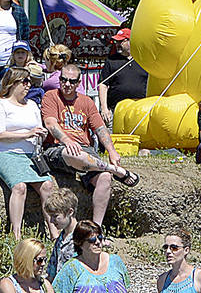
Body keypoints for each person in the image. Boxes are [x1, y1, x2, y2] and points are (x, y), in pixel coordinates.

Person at [44, 63, 139, 228]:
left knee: (104, 178)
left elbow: (100, 128)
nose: (67, 84)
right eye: (63, 80)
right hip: (59, 148)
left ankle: (96, 228)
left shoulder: (86, 101)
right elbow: (50, 123)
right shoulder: (51, 96)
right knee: (73, 153)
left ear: (78, 83)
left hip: (86, 150)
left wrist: (112, 151)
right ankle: (114, 170)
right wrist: (67, 140)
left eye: (72, 81)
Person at [0, 67, 57, 238]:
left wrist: (41, 134)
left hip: (29, 154)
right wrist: (27, 133)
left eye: (30, 82)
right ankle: (16, 234)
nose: (28, 85)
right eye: (25, 81)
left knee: (47, 185)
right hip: (5, 153)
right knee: (19, 187)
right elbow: (1, 135)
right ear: (13, 83)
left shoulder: (32, 105)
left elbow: (37, 128)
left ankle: (54, 233)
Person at [97, 28, 150, 119]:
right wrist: (104, 108)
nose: (117, 44)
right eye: (116, 42)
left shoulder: (143, 60)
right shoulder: (111, 60)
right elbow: (103, 85)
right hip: (116, 111)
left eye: (121, 41)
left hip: (141, 110)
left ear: (130, 41)